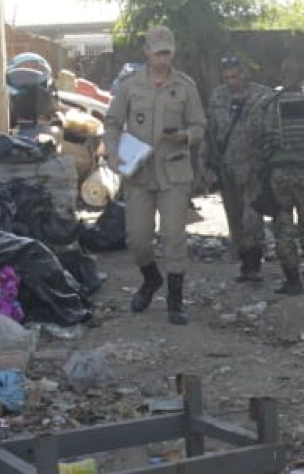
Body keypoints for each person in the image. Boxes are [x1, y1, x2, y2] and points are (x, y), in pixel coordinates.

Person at [104, 24, 206, 325]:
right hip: (139, 172)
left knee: (174, 237)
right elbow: (112, 122)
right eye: (158, 53)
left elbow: (200, 125)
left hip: (173, 171)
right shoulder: (130, 85)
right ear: (147, 52)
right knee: (137, 239)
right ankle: (151, 279)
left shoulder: (185, 86)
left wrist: (186, 136)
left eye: (167, 53)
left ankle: (175, 298)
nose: (163, 59)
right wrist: (112, 151)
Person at [250, 55, 304, 295]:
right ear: (303, 77)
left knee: (283, 225)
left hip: (278, 176)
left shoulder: (267, 105)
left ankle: (292, 279)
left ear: (282, 75)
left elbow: (256, 142)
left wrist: (257, 176)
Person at [205, 55, 271, 283]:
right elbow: (210, 133)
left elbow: (272, 133)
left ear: (244, 73)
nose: (232, 81)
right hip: (227, 169)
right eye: (227, 77)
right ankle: (244, 262)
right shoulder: (217, 97)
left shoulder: (263, 96)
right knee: (234, 218)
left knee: (252, 217)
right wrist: (207, 165)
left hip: (254, 168)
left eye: (235, 76)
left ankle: (255, 264)